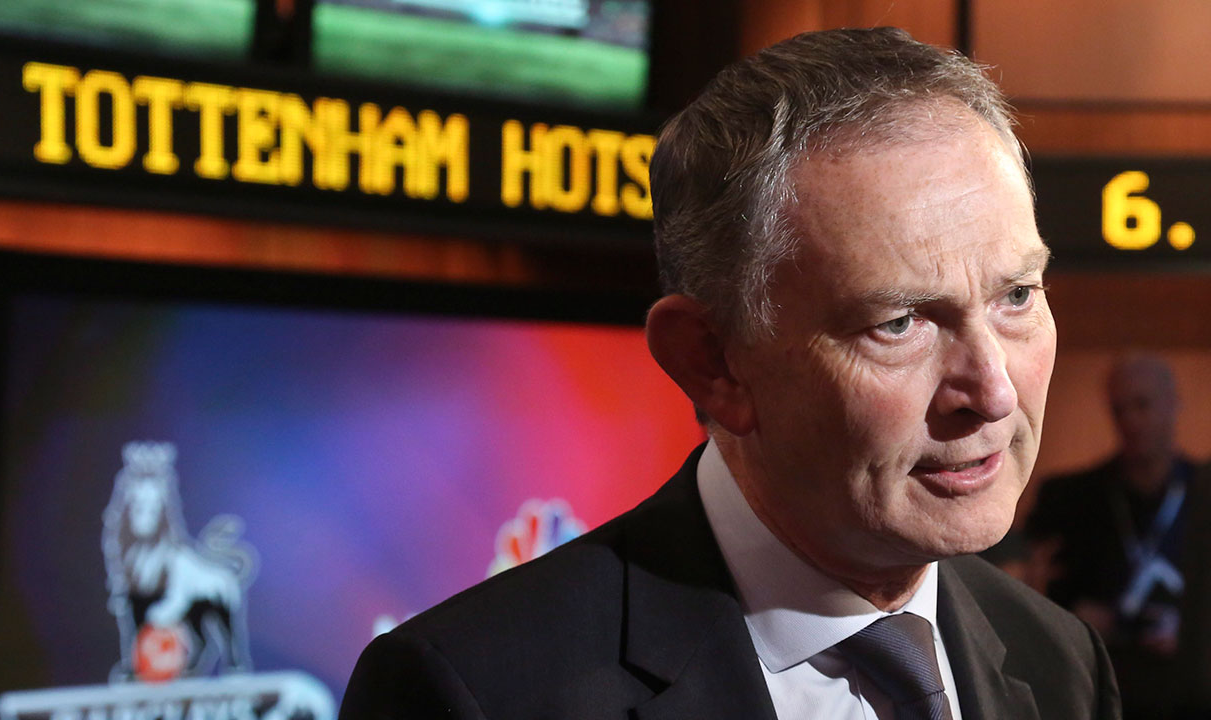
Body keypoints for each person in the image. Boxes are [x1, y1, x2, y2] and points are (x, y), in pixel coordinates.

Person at [340, 28, 1120, 719]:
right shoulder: (474, 692)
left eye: (1017, 295)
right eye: (899, 323)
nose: (993, 391)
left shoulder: (1059, 663)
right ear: (711, 362)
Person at [1027, 355, 1197, 718]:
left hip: (1193, 689)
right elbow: (1027, 583)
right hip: (1100, 686)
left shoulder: (1202, 493)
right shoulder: (1069, 498)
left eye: (1142, 405)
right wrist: (1073, 619)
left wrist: (1195, 635)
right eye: (1120, 409)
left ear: (1173, 403)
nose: (1131, 421)